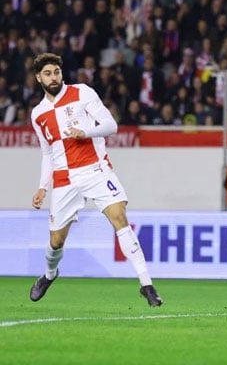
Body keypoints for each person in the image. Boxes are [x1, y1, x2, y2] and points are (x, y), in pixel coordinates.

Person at [28, 53, 162, 306]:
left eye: (56, 71)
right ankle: (49, 274)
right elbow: (47, 153)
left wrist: (85, 132)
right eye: (47, 73)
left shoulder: (82, 93)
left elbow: (111, 125)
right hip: (64, 180)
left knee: (120, 218)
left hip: (96, 171)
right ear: (38, 78)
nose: (53, 77)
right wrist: (41, 187)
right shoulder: (38, 114)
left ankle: (147, 285)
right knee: (56, 241)